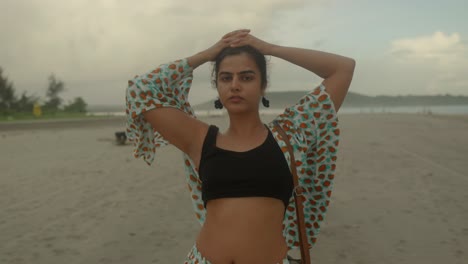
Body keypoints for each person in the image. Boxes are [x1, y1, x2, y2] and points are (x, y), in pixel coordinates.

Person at [125, 29, 355, 264]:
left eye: (246, 77)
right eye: (226, 78)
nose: (235, 85)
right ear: (217, 86)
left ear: (263, 85)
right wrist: (207, 54)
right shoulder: (199, 139)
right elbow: (140, 89)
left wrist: (270, 49)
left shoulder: (291, 135)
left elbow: (343, 68)